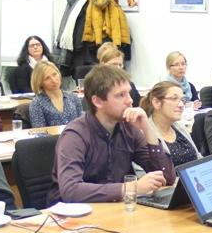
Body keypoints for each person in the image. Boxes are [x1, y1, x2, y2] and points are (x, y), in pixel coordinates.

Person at [48, 64, 174, 204]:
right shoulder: (74, 135)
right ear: (97, 101)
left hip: (116, 208)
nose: (130, 100)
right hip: (73, 213)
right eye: (120, 95)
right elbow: (71, 191)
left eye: (128, 93)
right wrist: (130, 188)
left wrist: (147, 128)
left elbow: (167, 178)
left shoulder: (129, 128)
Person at [141, 81, 201, 167]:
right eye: (174, 99)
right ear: (156, 102)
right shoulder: (144, 134)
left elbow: (198, 158)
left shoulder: (180, 127)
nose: (181, 105)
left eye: (182, 100)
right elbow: (143, 172)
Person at [28, 61, 83, 128]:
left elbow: (83, 125)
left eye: (54, 74)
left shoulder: (73, 97)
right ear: (40, 82)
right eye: (47, 78)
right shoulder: (37, 104)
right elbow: (39, 131)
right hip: (52, 135)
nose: (54, 80)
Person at [98, 42, 141, 107]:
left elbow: (138, 105)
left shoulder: (129, 84)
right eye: (113, 64)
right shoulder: (97, 86)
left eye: (120, 65)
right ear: (103, 65)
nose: (118, 68)